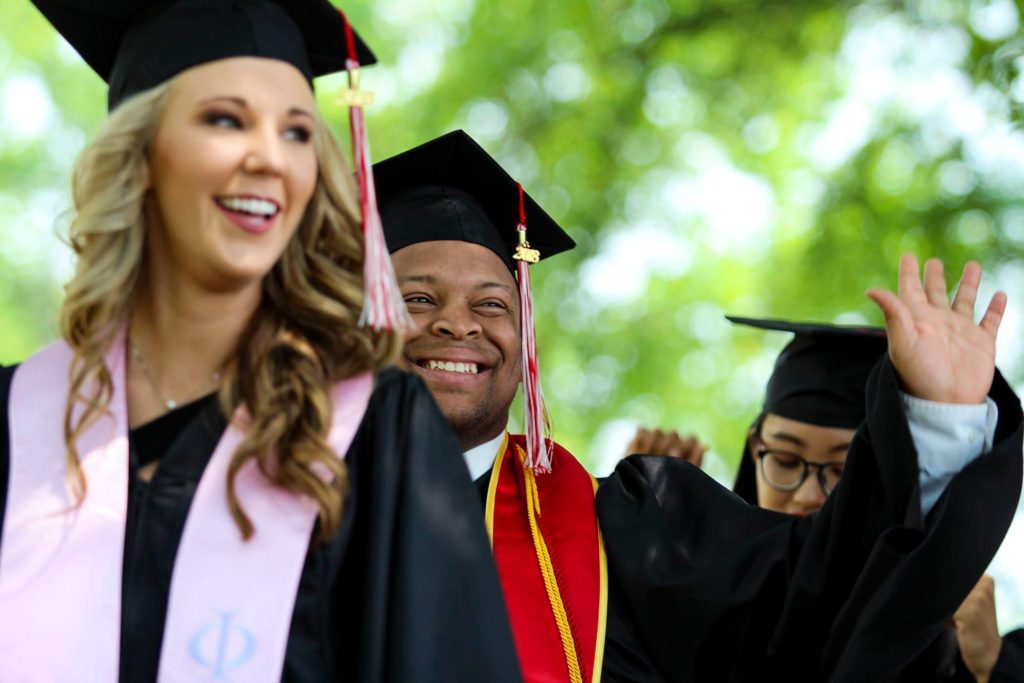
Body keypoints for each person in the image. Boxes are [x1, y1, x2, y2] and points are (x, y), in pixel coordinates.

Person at [376, 129, 1024, 682]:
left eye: (491, 303)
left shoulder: (630, 529)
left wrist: (937, 418)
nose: (458, 325)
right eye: (418, 299)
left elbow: (822, 599)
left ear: (524, 339)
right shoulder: (291, 502)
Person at [0, 3, 520, 682]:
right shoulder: (20, 420)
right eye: (225, 119)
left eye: (298, 131)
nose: (270, 157)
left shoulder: (374, 426)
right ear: (141, 154)